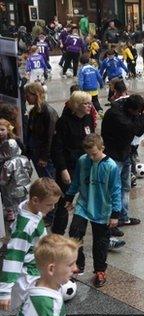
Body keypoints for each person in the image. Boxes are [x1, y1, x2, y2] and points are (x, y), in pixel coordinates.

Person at [2, 234, 78, 316]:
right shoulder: (44, 306)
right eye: (70, 264)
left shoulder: (37, 291)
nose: (75, 268)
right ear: (51, 269)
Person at [65, 134, 122, 287]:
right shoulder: (83, 160)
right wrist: (69, 197)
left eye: (94, 153)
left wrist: (116, 213)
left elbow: (116, 190)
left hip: (103, 208)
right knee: (75, 232)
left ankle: (100, 271)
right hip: (83, 204)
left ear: (102, 148)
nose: (91, 157)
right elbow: (76, 180)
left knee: (100, 242)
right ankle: (78, 263)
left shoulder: (111, 166)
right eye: (88, 154)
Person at [0, 178, 62, 311]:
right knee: (33, 311)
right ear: (35, 200)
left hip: (37, 269)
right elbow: (13, 257)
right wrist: (5, 292)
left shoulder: (34, 211)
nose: (52, 208)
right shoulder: (25, 228)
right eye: (49, 204)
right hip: (29, 277)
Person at [102, 94, 144, 230]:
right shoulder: (116, 114)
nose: (138, 114)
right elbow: (131, 128)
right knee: (114, 189)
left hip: (125, 154)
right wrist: (143, 115)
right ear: (131, 109)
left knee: (125, 187)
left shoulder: (130, 112)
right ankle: (111, 219)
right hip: (113, 155)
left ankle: (123, 217)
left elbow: (138, 132)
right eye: (137, 112)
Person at [50, 91, 96, 236]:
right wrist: (62, 169)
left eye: (90, 103)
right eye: (86, 103)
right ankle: (58, 232)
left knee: (86, 198)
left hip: (86, 165)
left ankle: (79, 230)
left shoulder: (88, 118)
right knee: (64, 200)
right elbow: (57, 148)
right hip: (68, 166)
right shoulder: (64, 121)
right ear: (77, 105)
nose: (90, 106)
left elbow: (92, 140)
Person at [23, 82, 58, 179]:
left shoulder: (48, 112)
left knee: (49, 181)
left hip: (44, 155)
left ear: (36, 95)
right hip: (36, 152)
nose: (26, 98)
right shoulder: (34, 112)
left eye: (28, 95)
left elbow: (49, 137)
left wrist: (44, 157)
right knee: (43, 179)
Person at [0, 139, 33, 224]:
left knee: (14, 207)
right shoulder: (24, 158)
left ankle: (16, 224)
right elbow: (30, 170)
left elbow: (4, 180)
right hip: (25, 187)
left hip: (13, 190)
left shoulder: (8, 164)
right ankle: (25, 219)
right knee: (23, 203)